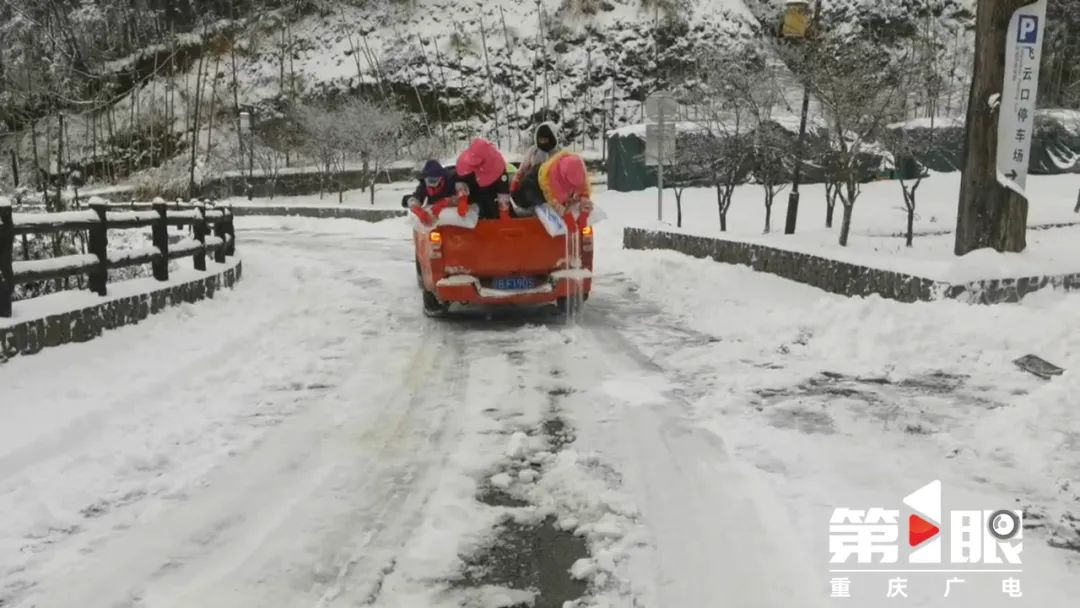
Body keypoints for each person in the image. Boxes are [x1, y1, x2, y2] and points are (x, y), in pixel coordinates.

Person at [511, 150, 593, 217]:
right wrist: (565, 213)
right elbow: (554, 201)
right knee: (525, 199)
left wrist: (585, 199)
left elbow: (584, 188)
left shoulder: (578, 166)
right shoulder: (553, 177)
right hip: (534, 184)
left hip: (540, 175)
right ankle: (515, 193)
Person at [453, 138, 512, 219]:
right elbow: (460, 179)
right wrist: (462, 198)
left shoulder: (497, 164)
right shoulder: (463, 161)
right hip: (475, 191)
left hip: (492, 190)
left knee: (493, 210)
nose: (476, 165)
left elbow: (503, 188)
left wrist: (504, 211)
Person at [512, 122, 560, 194]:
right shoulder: (533, 150)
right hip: (533, 184)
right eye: (541, 139)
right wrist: (516, 179)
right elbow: (523, 167)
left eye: (545, 139)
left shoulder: (557, 153)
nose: (543, 141)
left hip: (550, 186)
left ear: (551, 138)